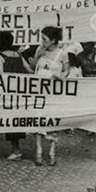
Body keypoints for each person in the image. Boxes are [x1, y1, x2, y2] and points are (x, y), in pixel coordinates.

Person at [30, 26, 69, 166]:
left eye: (45, 39)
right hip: (39, 92)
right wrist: (38, 55)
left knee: (52, 121)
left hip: (53, 93)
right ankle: (39, 150)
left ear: (53, 40)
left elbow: (66, 72)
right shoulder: (40, 50)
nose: (42, 41)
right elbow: (32, 66)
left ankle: (52, 151)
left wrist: (59, 76)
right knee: (38, 119)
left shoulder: (62, 54)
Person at [0, 31, 33, 161]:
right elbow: (30, 70)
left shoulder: (0, 56)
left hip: (9, 92)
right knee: (17, 120)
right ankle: (16, 149)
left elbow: (1, 75)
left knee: (10, 121)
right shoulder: (18, 55)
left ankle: (16, 150)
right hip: (20, 91)